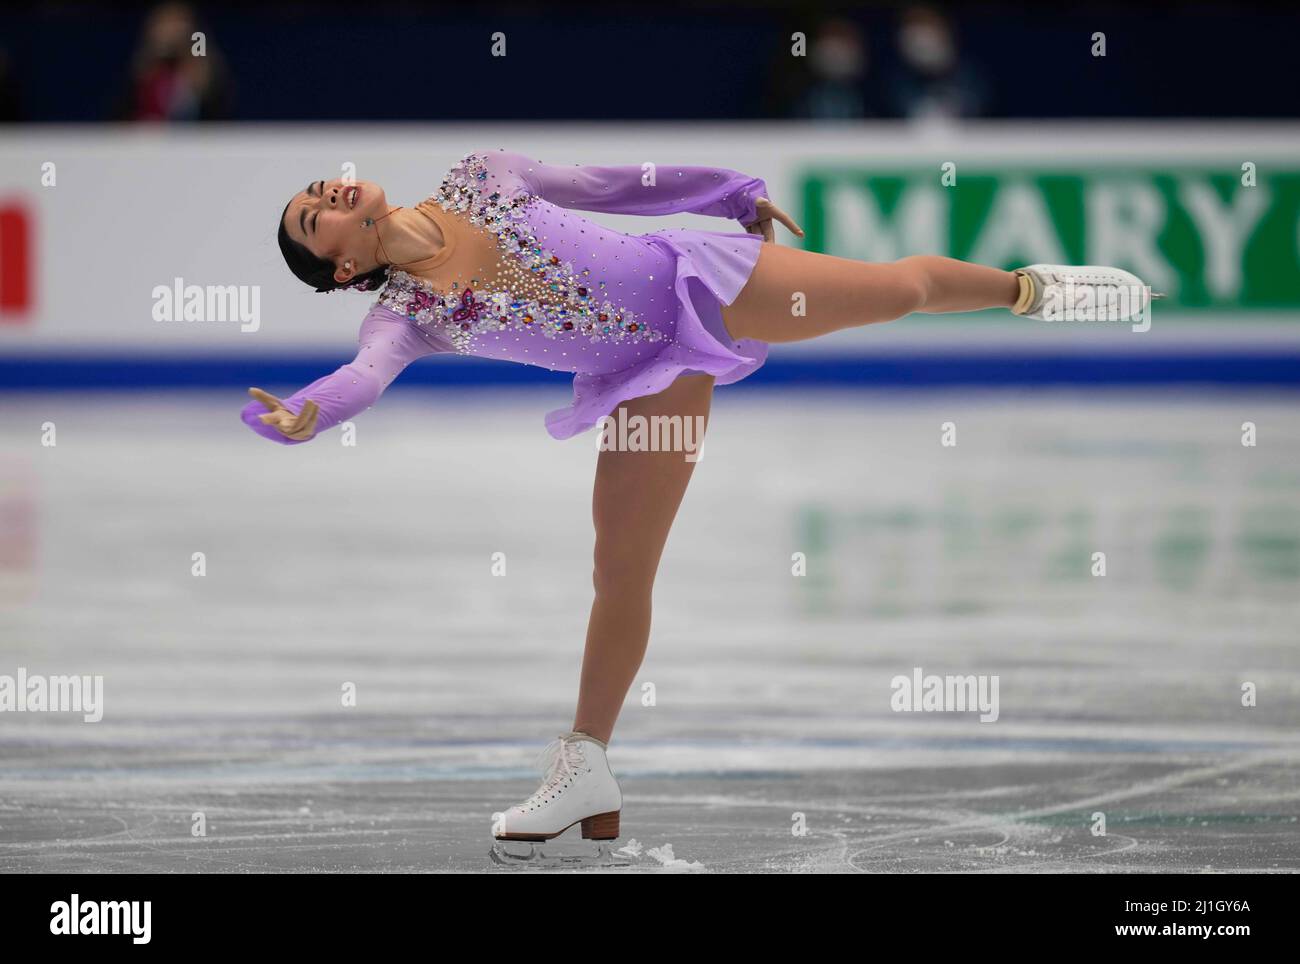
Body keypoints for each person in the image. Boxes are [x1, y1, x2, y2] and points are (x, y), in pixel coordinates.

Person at [254, 148, 1150, 842]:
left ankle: (1033, 290)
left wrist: (726, 188)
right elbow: (365, 376)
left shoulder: (482, 176)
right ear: (338, 269)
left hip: (706, 282)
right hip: (648, 377)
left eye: (318, 191)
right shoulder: (406, 316)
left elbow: (620, 185)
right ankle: (586, 771)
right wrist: (308, 410)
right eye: (312, 220)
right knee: (620, 568)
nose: (327, 199)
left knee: (896, 291)